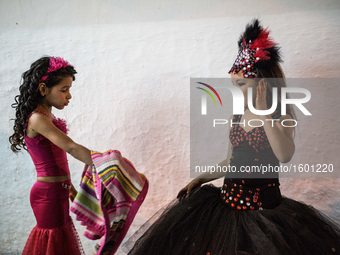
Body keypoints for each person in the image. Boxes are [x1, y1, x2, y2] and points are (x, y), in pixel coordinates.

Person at [125, 19, 340, 255]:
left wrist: (263, 113)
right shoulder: (236, 117)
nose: (236, 91)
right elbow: (230, 161)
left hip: (263, 210)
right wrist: (202, 178)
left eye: (241, 84)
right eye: (233, 84)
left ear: (262, 83)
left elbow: (285, 154)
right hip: (227, 202)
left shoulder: (279, 116)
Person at [9, 56, 92, 254]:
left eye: (69, 89)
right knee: (52, 244)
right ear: (43, 89)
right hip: (47, 195)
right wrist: (103, 161)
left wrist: (70, 188)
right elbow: (70, 147)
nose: (69, 96)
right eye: (64, 90)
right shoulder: (38, 119)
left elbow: (57, 160)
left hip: (58, 191)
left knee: (60, 243)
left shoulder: (48, 116)